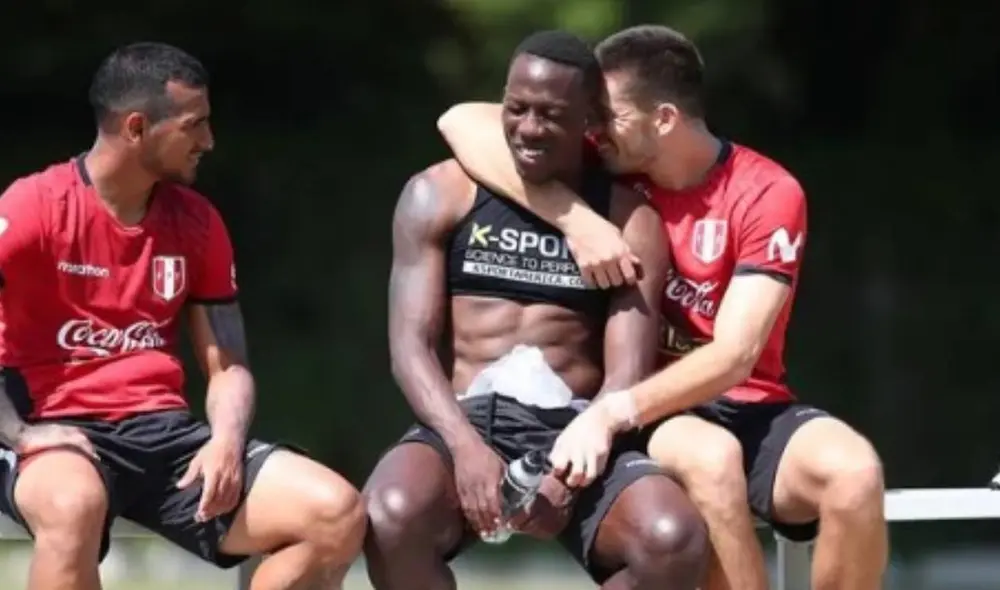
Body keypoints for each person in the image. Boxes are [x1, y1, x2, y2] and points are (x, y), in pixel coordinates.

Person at [435, 24, 887, 590]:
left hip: (730, 404)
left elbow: (735, 356)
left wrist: (610, 412)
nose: (591, 129)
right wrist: (575, 220)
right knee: (711, 456)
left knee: (855, 473)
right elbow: (458, 119)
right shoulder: (608, 166)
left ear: (665, 119)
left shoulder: (767, 190)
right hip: (655, 412)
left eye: (607, 115)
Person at [0, 42, 365, 590]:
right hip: (56, 430)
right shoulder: (33, 206)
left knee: (336, 513)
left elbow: (228, 366)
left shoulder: (198, 222)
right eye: (194, 125)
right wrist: (19, 434)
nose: (209, 141)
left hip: (163, 433)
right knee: (75, 503)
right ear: (136, 127)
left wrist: (225, 439)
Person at [364, 30, 708, 590]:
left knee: (672, 539)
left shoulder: (629, 220)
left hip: (577, 429)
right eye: (516, 108)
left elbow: (627, 374)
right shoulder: (440, 193)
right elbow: (410, 347)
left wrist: (568, 476)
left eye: (550, 115)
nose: (528, 128)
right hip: (466, 420)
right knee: (389, 515)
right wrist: (464, 447)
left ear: (589, 124)